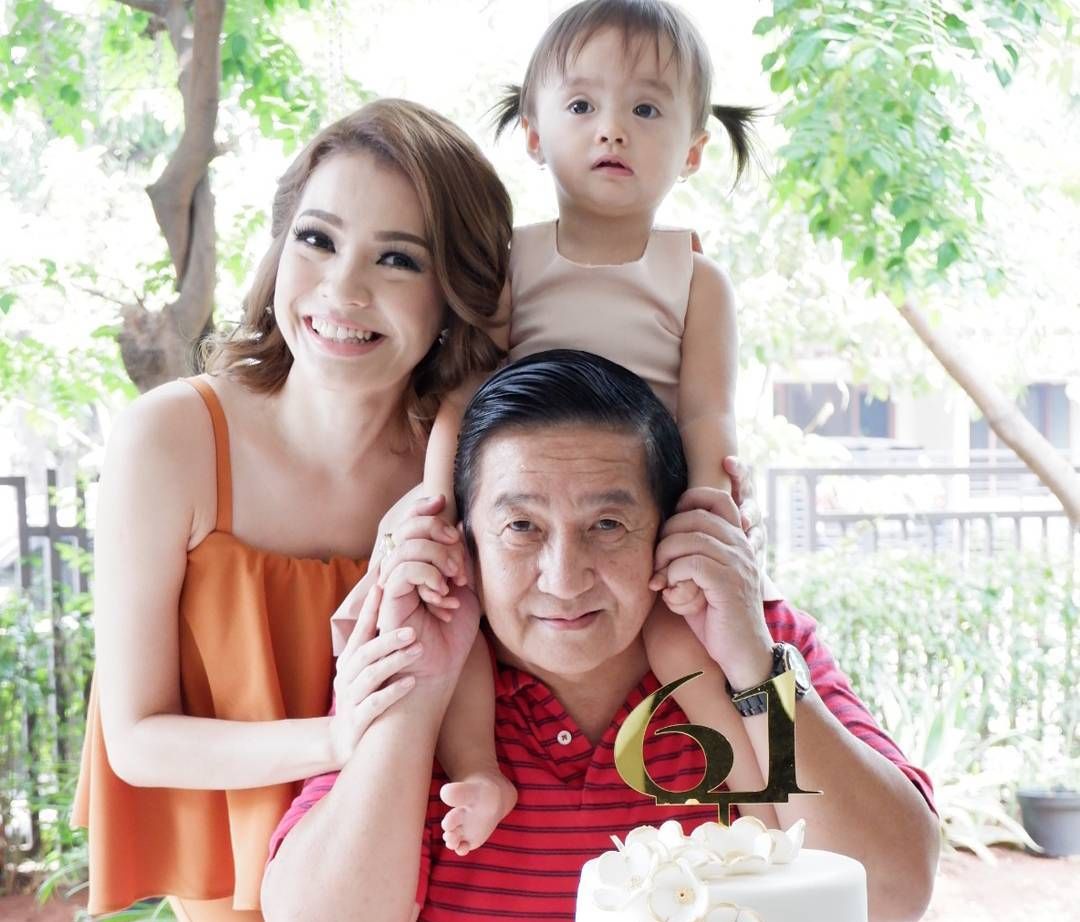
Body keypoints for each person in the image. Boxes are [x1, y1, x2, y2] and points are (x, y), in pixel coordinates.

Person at [264, 350, 940, 922]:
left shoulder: (756, 636)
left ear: (668, 528)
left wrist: (753, 668)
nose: (564, 578)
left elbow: (891, 895)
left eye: (607, 526)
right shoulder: (410, 649)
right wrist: (419, 691)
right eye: (521, 527)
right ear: (465, 540)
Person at [71, 98, 513, 921]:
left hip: (418, 874)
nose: (343, 289)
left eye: (399, 259)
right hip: (230, 894)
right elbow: (136, 740)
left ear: (455, 295)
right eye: (317, 239)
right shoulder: (171, 441)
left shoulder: (461, 468)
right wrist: (335, 739)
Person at [382, 0, 765, 856]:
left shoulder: (695, 278)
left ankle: (753, 796)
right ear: (533, 134)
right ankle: (479, 768)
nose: (612, 130)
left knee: (682, 639)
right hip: (525, 502)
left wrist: (709, 510)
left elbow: (707, 411)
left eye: (647, 108)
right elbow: (461, 399)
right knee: (462, 621)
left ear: (693, 149)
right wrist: (435, 506)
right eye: (583, 105)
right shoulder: (514, 264)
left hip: (638, 517)